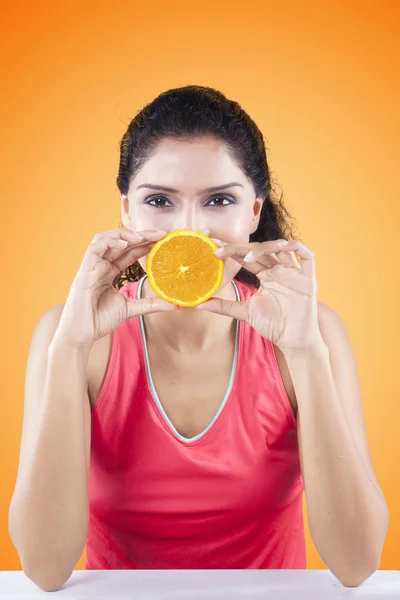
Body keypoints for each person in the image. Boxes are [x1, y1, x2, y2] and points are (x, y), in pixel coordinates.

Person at [8, 85, 388, 592]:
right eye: (159, 201)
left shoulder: (312, 335)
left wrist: (306, 355)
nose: (188, 231)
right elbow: (43, 568)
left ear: (254, 213)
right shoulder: (70, 337)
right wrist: (70, 348)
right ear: (126, 210)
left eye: (219, 200)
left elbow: (357, 564)